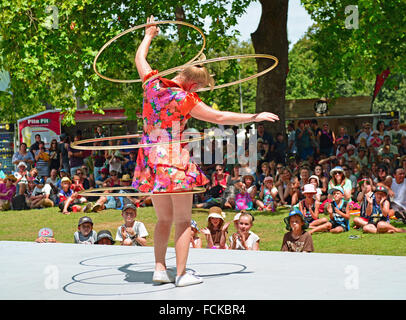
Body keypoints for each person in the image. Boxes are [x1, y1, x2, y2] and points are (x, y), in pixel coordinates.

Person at [133, 15, 279, 287]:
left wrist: (149, 35)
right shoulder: (185, 98)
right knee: (183, 220)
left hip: (151, 157)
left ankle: (158, 268)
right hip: (174, 159)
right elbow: (220, 117)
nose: (198, 90)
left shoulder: (152, 84)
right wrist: (254, 116)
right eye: (199, 86)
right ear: (192, 83)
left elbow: (140, 60)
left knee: (163, 218)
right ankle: (181, 274)